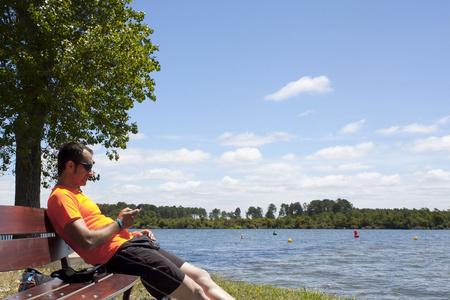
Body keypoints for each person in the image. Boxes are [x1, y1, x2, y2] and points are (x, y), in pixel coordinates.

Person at [47, 142, 235, 300]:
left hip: (129, 245)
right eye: (87, 167)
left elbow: (98, 227)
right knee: (195, 292)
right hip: (117, 254)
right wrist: (119, 223)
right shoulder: (61, 197)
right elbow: (87, 241)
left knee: (201, 276)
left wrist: (130, 233)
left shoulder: (77, 194)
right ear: (70, 166)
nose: (91, 172)